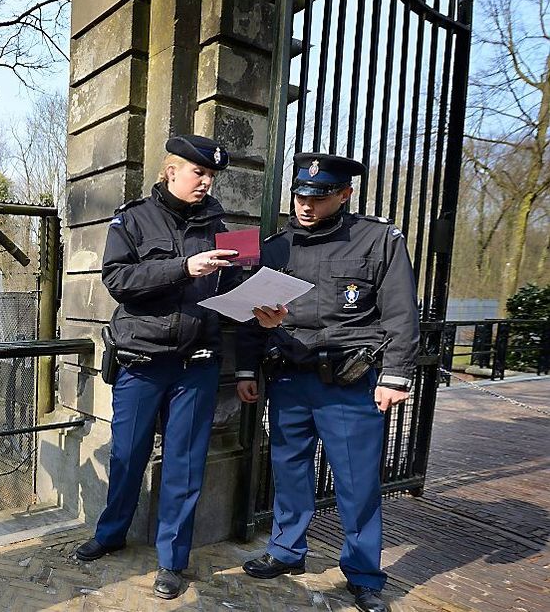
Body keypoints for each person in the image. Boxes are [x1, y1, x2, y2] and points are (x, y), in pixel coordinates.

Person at [74, 135, 266, 600]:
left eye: (211, 176)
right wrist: (185, 267)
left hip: (197, 364)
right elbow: (118, 281)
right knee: (127, 454)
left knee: (184, 465)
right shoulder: (132, 218)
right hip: (141, 361)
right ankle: (112, 532)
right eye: (198, 173)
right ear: (171, 170)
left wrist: (264, 305)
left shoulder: (225, 226)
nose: (206, 182)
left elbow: (247, 287)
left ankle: (173, 561)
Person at [235, 153, 420, 612]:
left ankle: (362, 574)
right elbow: (250, 316)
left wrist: (395, 375)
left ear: (345, 194)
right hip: (289, 379)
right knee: (290, 470)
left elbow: (400, 312)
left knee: (357, 484)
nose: (305, 206)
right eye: (300, 196)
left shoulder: (378, 240)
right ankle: (286, 550)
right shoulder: (276, 248)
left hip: (349, 382)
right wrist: (246, 366)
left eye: (318, 198)